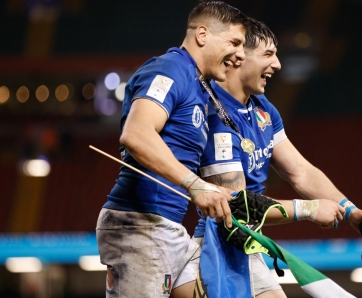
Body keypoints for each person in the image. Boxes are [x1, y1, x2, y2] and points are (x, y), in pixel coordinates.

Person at [195, 18, 362, 297]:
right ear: (238, 56)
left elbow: (299, 170)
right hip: (217, 248)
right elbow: (236, 205)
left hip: (246, 246)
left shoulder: (262, 108)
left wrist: (349, 210)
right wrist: (310, 210)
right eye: (268, 54)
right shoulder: (215, 114)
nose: (278, 64)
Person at [95, 2, 248, 297]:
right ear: (202, 34)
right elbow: (137, 134)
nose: (241, 53)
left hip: (168, 228)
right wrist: (195, 185)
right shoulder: (170, 69)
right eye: (235, 42)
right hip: (140, 225)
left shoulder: (199, 87)